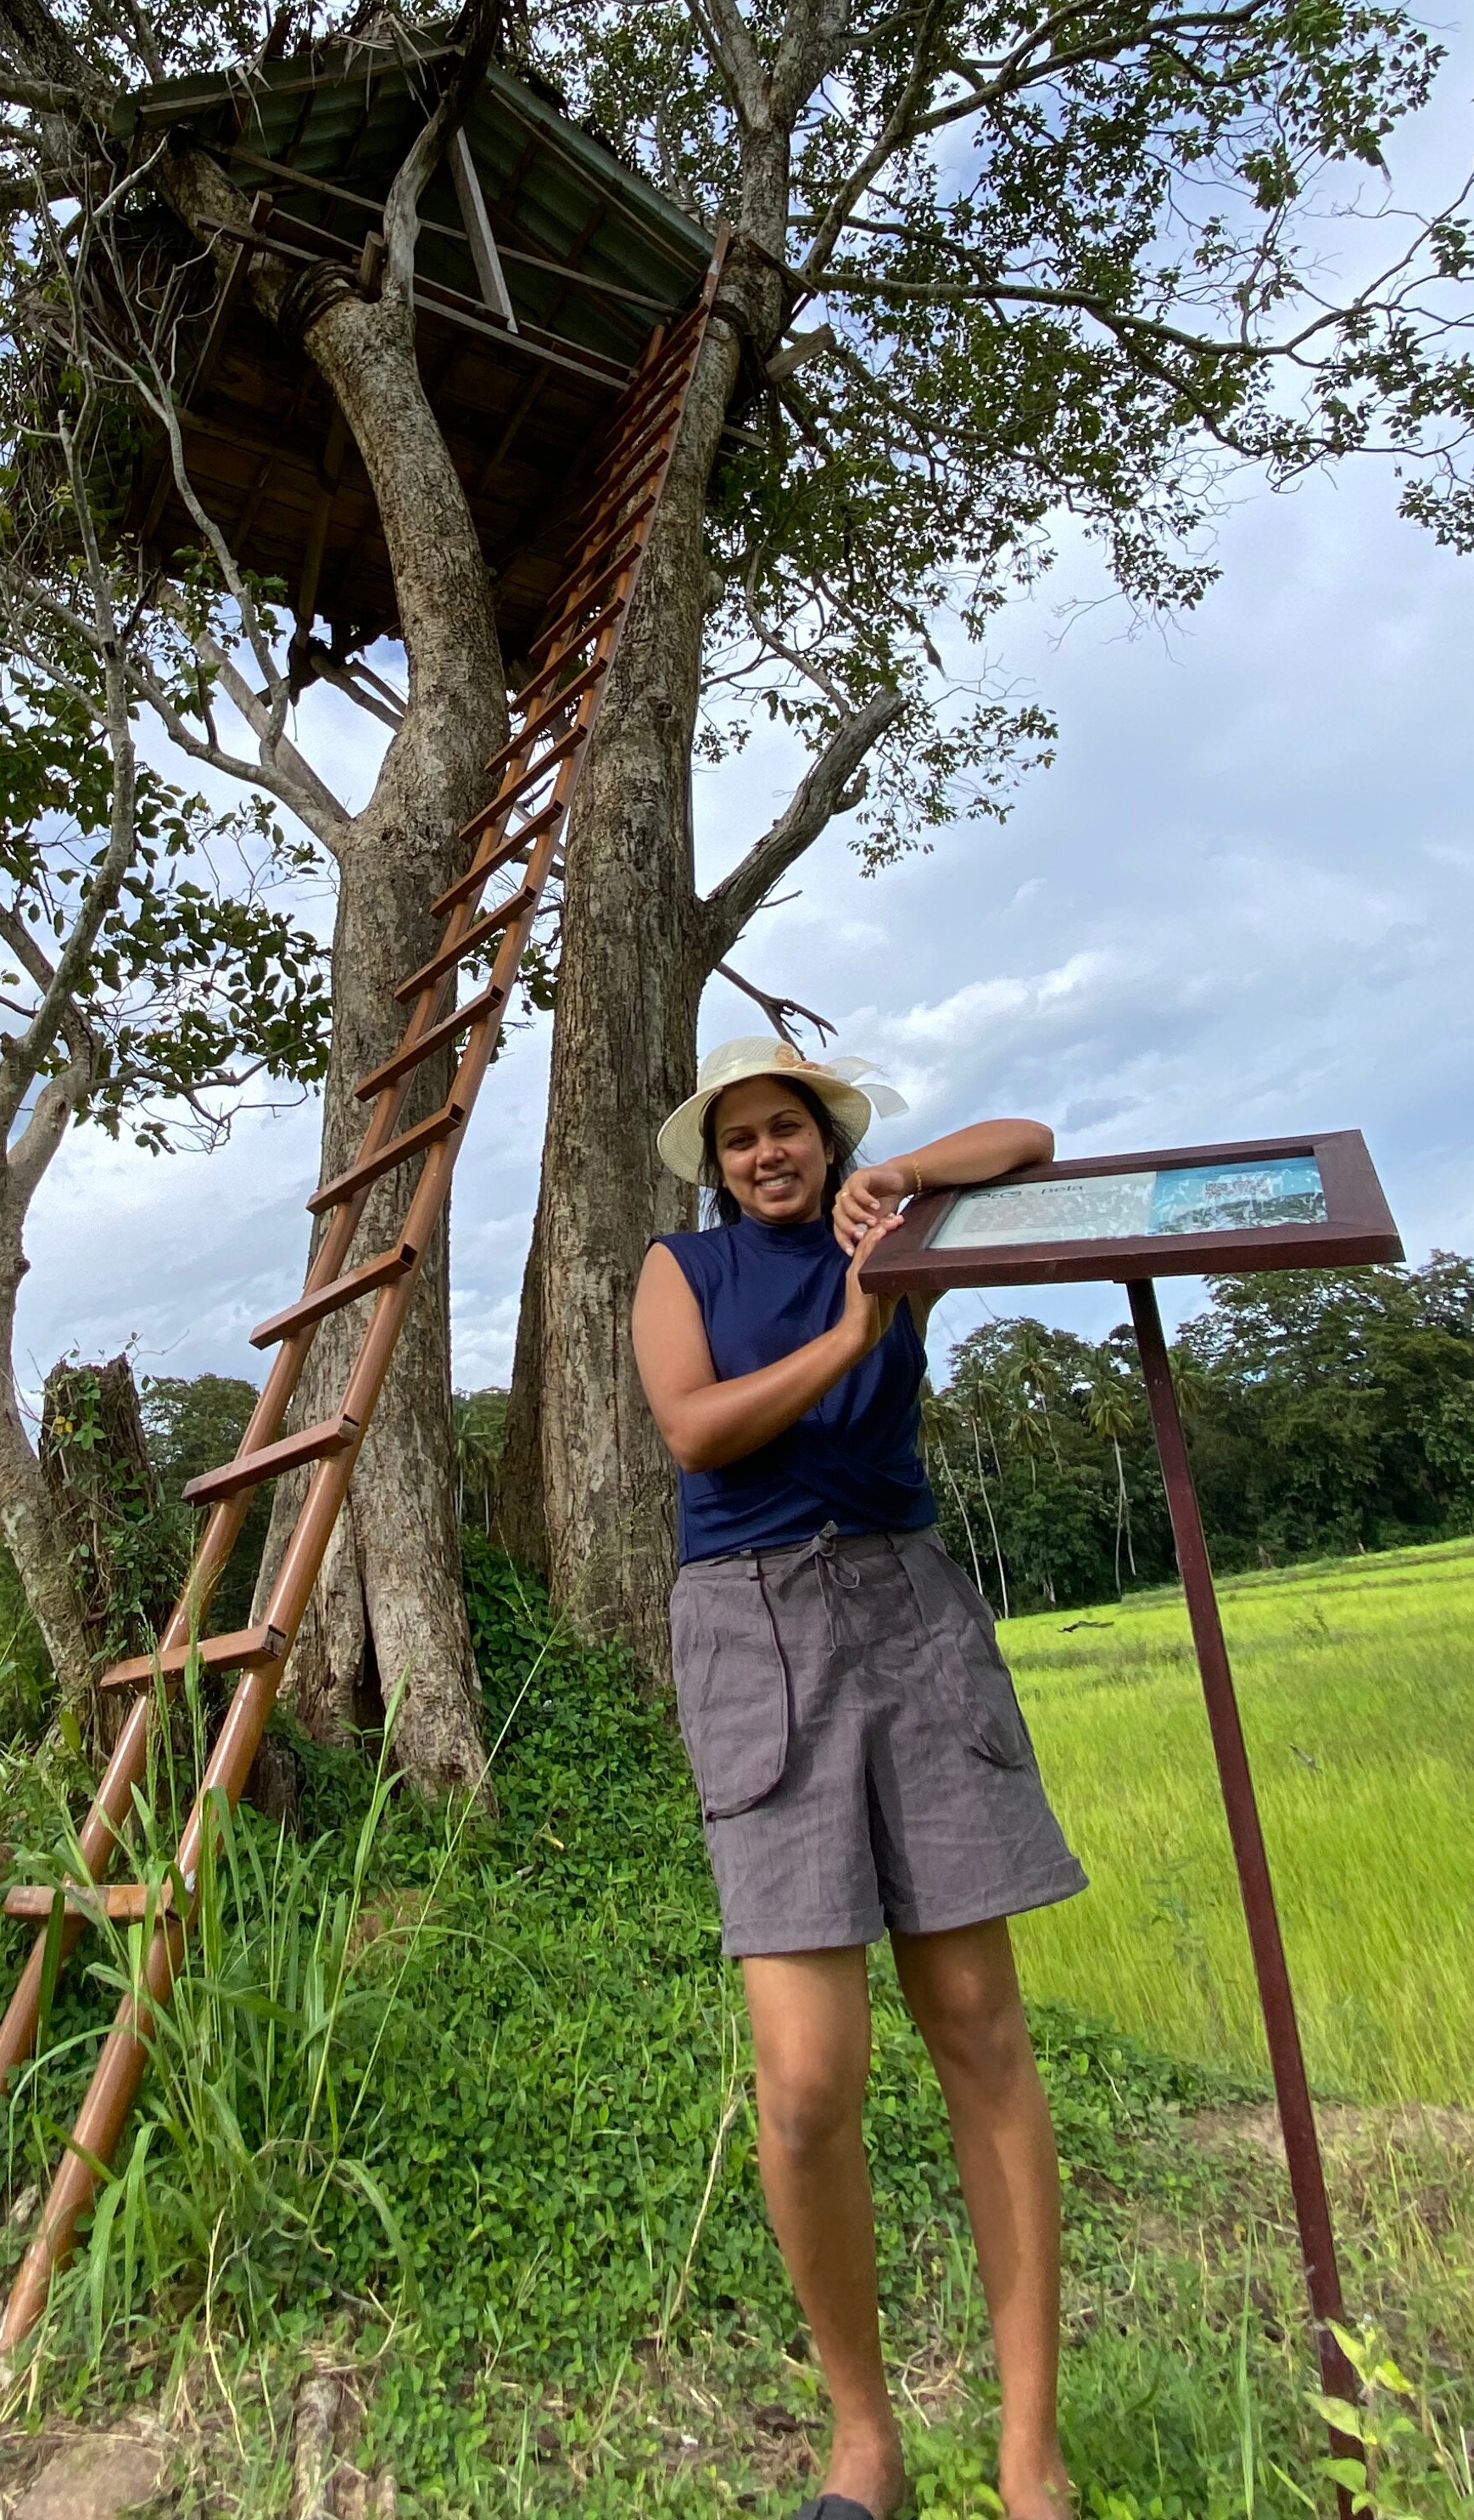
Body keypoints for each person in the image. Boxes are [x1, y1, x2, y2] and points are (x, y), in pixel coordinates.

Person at [631, 1035, 1086, 2520]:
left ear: (826, 1143)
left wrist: (896, 1184)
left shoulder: (881, 1223)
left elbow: (1027, 1137)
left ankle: (1030, 2455)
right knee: (810, 2082)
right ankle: (864, 2443)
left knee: (978, 2025)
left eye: (794, 1130)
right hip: (753, 1629)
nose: (770, 1154)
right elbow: (696, 1434)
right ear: (715, 1165)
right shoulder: (680, 1276)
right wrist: (855, 1329)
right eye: (744, 1139)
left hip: (906, 1609)